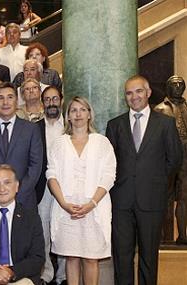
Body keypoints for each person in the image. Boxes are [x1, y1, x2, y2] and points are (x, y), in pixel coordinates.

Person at [106, 75, 183, 285]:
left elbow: (174, 159)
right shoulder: (115, 125)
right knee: (122, 258)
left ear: (148, 93)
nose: (134, 97)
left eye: (139, 91)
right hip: (121, 202)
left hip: (152, 200)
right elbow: (109, 164)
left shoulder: (166, 124)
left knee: (149, 257)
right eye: (129, 93)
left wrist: (156, 183)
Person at [47, 96, 116, 285]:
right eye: (73, 110)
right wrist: (63, 203)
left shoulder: (102, 142)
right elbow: (51, 175)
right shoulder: (59, 143)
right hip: (66, 210)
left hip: (94, 210)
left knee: (91, 258)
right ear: (67, 116)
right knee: (71, 257)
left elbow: (109, 176)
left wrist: (92, 203)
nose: (78, 114)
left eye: (82, 109)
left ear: (89, 115)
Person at [0, 82, 43, 208]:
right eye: (0, 98)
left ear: (16, 101)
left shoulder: (31, 129)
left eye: (10, 97)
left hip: (23, 200)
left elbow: (35, 166)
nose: (5, 102)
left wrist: (16, 196)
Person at [35, 86, 66, 285]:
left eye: (55, 99)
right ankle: (46, 274)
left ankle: (63, 275)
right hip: (42, 187)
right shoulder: (34, 127)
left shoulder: (70, 127)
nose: (51, 103)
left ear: (61, 101)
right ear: (42, 103)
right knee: (43, 231)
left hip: (66, 187)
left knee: (64, 230)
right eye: (47, 100)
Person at [154, 75, 187, 244]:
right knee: (164, 196)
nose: (178, 87)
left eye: (181, 84)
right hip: (166, 157)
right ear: (167, 87)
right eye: (174, 85)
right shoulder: (160, 109)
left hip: (185, 159)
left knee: (183, 197)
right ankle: (164, 237)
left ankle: (182, 236)